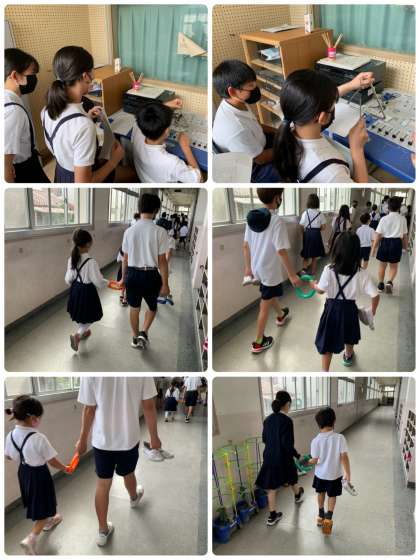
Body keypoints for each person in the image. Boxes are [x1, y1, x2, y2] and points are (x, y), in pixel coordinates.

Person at [75, 377, 162, 546]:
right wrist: (154, 438)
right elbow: (148, 406)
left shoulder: (90, 373)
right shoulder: (143, 373)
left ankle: (102, 531)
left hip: (102, 442)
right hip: (128, 440)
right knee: (128, 473)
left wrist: (82, 440)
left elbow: (89, 409)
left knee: (102, 484)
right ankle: (134, 498)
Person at [273, 69, 373, 183]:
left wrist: (352, 85)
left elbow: (311, 99)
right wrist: (357, 149)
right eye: (332, 106)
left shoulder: (292, 118)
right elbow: (361, 188)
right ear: (322, 117)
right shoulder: (332, 174)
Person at [42, 46, 124, 182]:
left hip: (61, 173)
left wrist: (86, 116)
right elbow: (84, 183)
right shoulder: (83, 126)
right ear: (86, 76)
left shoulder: (46, 110)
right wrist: (114, 161)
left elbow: (64, 138)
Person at [5, 395, 69, 555]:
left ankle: (50, 520)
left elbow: (8, 456)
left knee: (38, 501)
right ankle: (31, 539)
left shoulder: (10, 435)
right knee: (43, 506)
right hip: (39, 476)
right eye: (39, 417)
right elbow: (52, 461)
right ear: (33, 418)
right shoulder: (38, 438)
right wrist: (65, 468)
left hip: (24, 473)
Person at [243, 188, 301, 353]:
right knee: (264, 304)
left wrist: (248, 269)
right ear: (277, 198)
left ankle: (281, 314)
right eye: (281, 196)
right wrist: (292, 275)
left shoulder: (251, 218)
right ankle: (258, 342)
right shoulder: (276, 221)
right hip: (269, 270)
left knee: (268, 295)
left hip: (257, 269)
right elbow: (281, 250)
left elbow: (245, 245)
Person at [313, 231, 380, 371]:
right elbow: (375, 295)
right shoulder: (362, 273)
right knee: (350, 334)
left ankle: (324, 371)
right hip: (350, 310)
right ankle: (348, 356)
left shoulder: (329, 269)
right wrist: (372, 312)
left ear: (336, 249)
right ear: (357, 252)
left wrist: (313, 285)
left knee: (328, 340)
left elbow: (320, 290)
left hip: (331, 310)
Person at [212, 59, 281, 183]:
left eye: (255, 83)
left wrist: (278, 131)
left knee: (284, 139)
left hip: (255, 144)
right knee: (287, 162)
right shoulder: (235, 128)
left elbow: (255, 124)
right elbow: (260, 159)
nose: (256, 88)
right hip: (252, 165)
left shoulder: (235, 102)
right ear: (232, 91)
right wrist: (286, 147)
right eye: (251, 86)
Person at [119, 193, 170, 349]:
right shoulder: (160, 231)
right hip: (151, 275)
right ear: (156, 210)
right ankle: (144, 331)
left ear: (139, 208)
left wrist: (123, 279)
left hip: (132, 275)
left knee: (134, 308)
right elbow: (162, 262)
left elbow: (125, 259)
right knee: (152, 307)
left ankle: (135, 338)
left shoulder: (129, 231)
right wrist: (165, 284)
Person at [255, 391, 304, 527]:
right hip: (283, 457)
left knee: (272, 487)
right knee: (292, 476)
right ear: (287, 404)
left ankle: (272, 516)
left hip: (270, 457)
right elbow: (287, 444)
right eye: (290, 405)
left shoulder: (267, 420)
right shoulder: (287, 421)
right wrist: (297, 455)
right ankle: (298, 495)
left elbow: (265, 439)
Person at [4, 48, 50, 183]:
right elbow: (5, 165)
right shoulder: (13, 111)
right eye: (31, 74)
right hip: (24, 170)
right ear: (14, 76)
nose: (34, 78)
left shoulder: (9, 101)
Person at [131, 100, 201, 183]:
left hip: (144, 178)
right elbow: (199, 181)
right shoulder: (171, 163)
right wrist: (186, 147)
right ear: (167, 131)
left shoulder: (138, 128)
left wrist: (164, 107)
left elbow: (146, 117)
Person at [308, 407, 351, 535]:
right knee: (332, 496)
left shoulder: (315, 441)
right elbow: (344, 457)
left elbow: (315, 459)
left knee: (320, 493)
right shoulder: (340, 438)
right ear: (334, 421)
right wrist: (348, 473)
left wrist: (310, 461)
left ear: (318, 423)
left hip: (320, 475)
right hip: (334, 475)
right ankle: (328, 519)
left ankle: (320, 516)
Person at [65, 229, 109, 352]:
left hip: (76, 289)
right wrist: (108, 283)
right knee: (91, 316)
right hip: (87, 292)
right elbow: (98, 281)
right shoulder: (91, 262)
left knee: (81, 313)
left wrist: (75, 285)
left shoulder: (72, 259)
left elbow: (68, 279)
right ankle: (78, 335)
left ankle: (82, 332)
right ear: (88, 243)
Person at [371, 196, 409, 294]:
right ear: (399, 207)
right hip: (396, 243)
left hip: (385, 242)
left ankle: (380, 285)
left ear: (388, 207)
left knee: (382, 265)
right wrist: (405, 247)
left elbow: (378, 235)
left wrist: (373, 248)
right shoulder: (403, 219)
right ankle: (389, 282)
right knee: (394, 266)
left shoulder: (383, 219)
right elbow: (405, 236)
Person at [299, 193, 326, 275]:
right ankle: (313, 273)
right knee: (314, 256)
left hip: (307, 234)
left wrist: (303, 233)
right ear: (317, 202)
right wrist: (317, 229)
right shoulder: (320, 213)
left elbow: (301, 225)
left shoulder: (305, 213)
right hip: (316, 234)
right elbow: (324, 227)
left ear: (308, 202)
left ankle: (303, 271)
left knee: (306, 254)